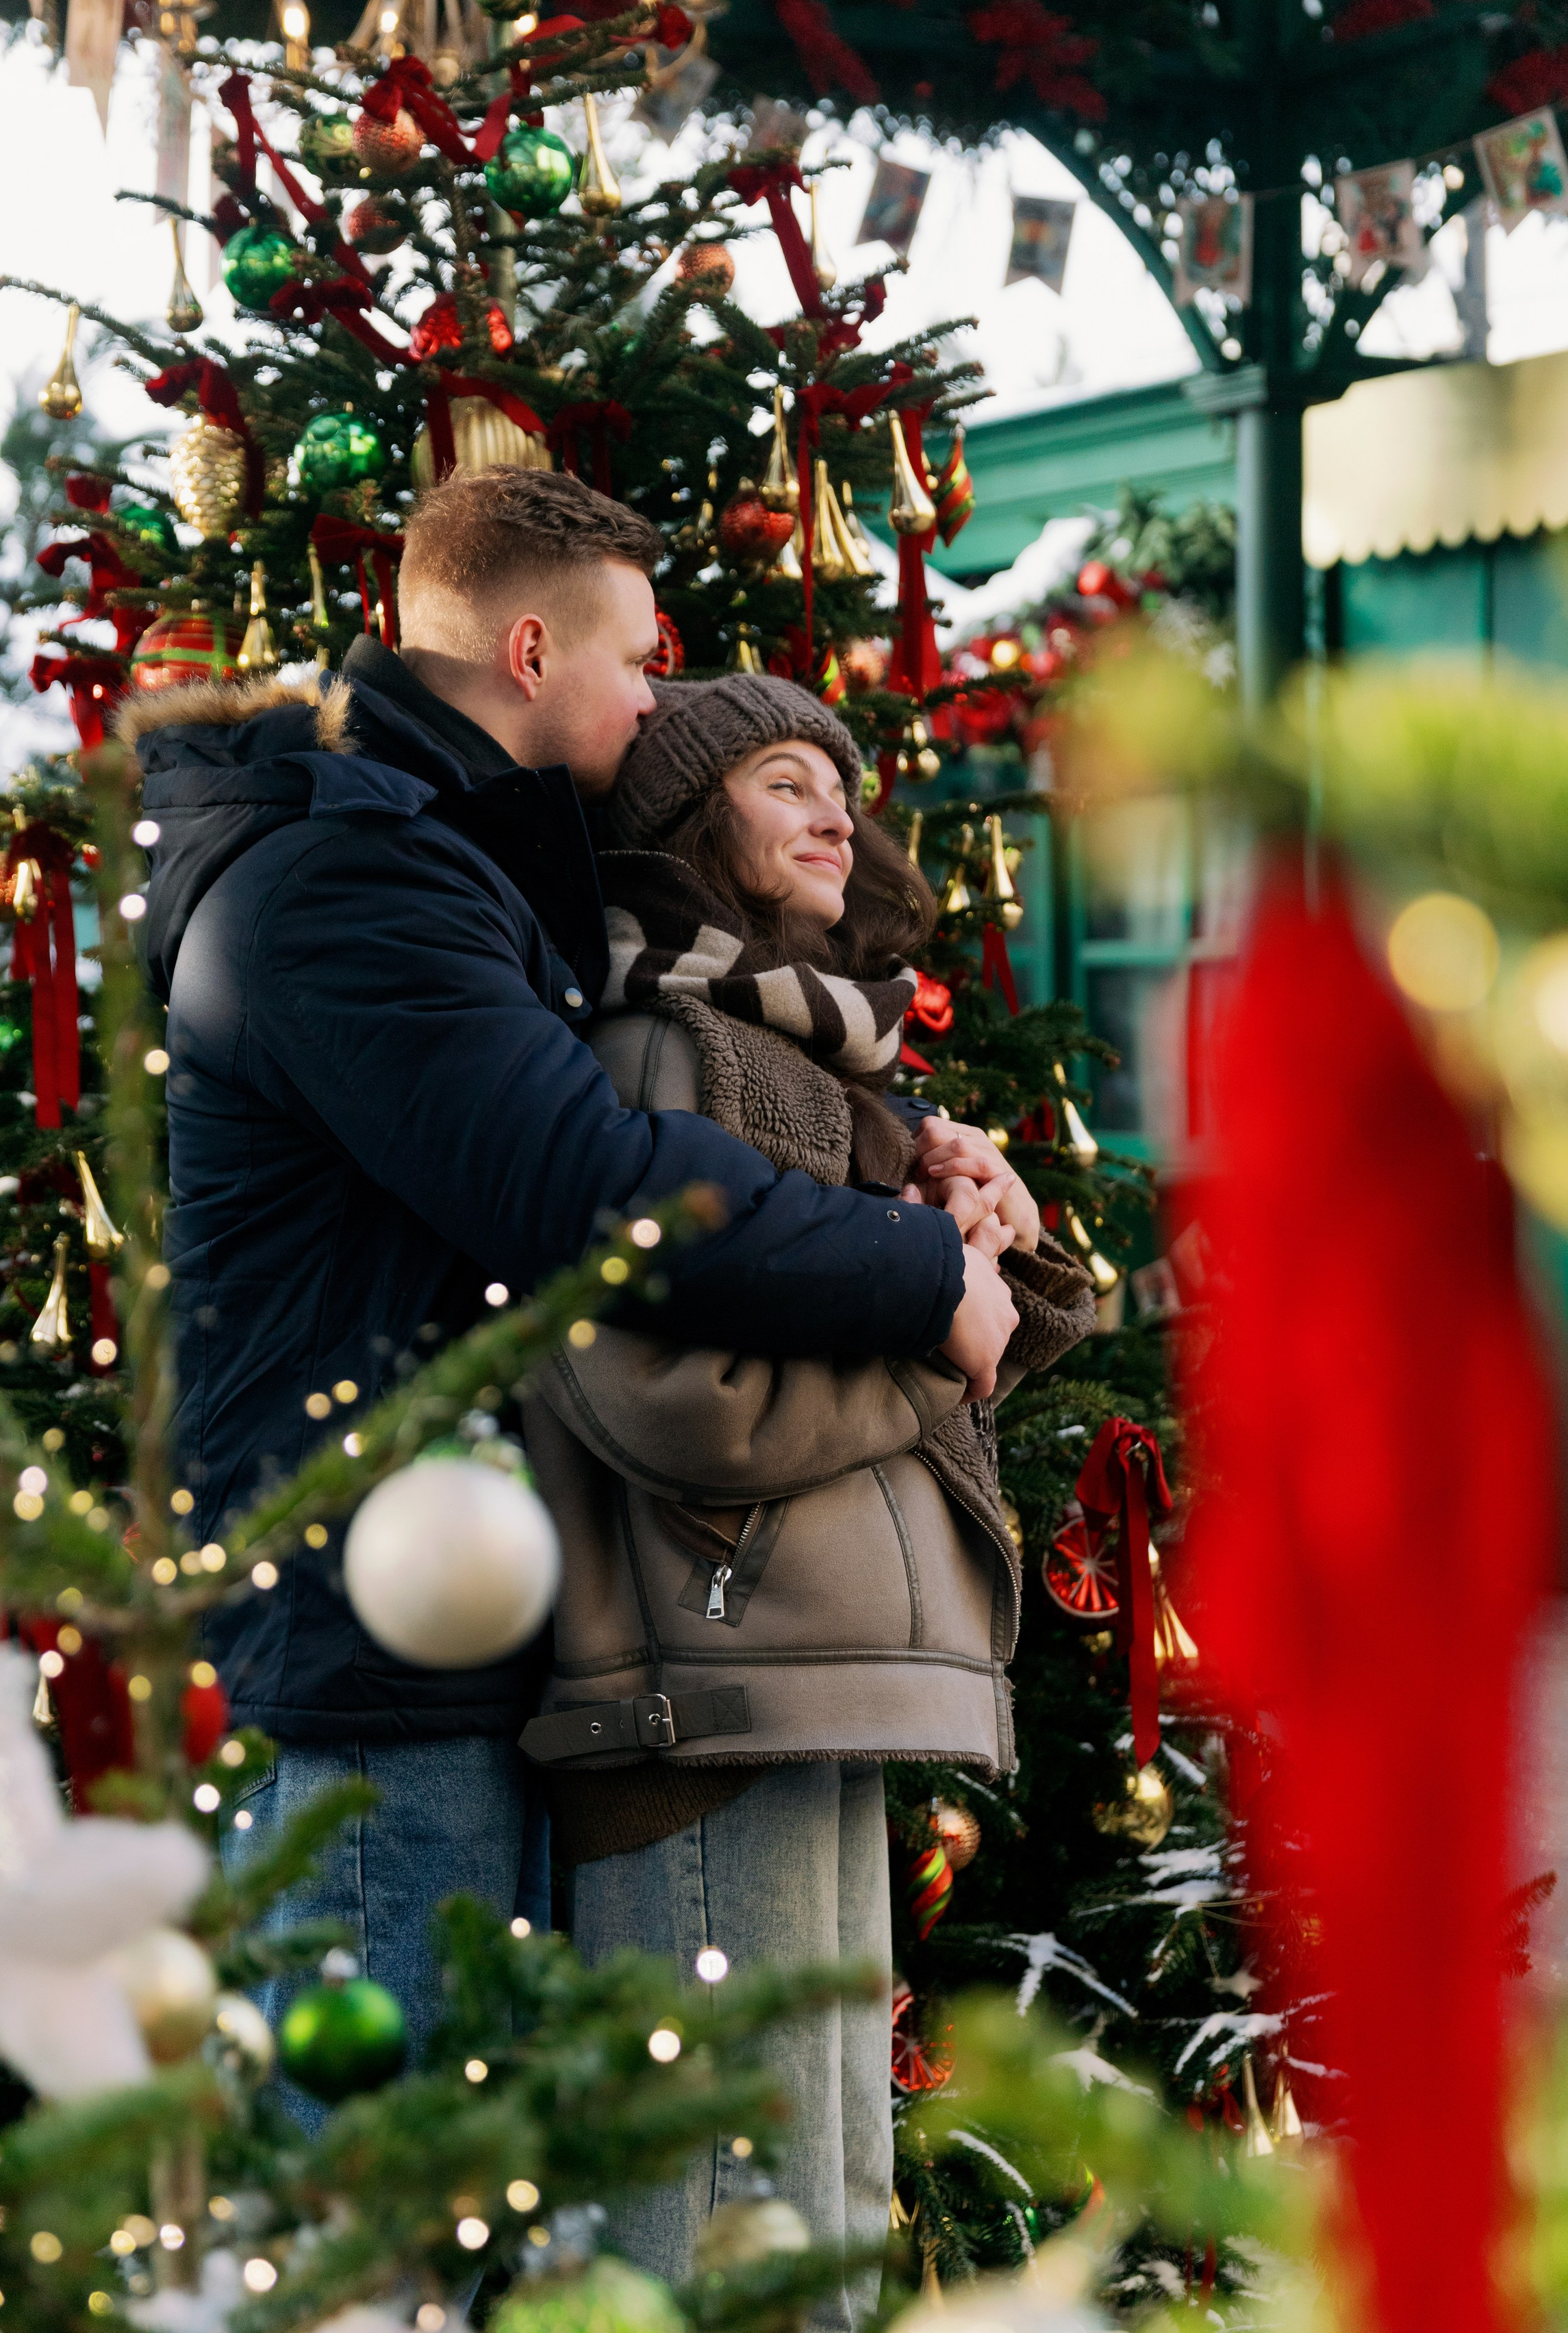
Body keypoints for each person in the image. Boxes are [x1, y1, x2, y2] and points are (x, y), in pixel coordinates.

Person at [118, 468, 1009, 2070]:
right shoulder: (346, 881)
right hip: (357, 1649)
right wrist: (914, 1271)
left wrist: (917, 1142)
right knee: (376, 2218)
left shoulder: (437, 852)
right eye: (637, 659)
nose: (655, 693)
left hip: (437, 1610)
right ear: (532, 653)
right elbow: (585, 1180)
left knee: (458, 2200)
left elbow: (653, 1054)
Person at [518, 675, 1096, 2326]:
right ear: (698, 822)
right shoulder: (658, 1048)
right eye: (787, 782)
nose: (838, 812)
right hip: (701, 1700)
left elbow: (964, 1350)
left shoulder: (815, 1060)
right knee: (729, 2224)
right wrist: (938, 1327)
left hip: (814, 1674)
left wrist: (998, 1248)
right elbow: (669, 1399)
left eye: (842, 783)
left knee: (827, 2203)